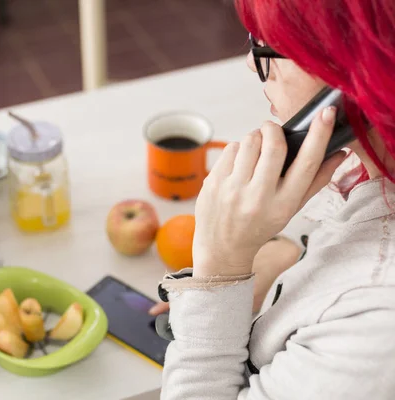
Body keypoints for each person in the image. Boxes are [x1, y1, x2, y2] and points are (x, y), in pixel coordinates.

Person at [159, 0, 395, 399]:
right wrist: (295, 258)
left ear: (355, 76)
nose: (252, 65)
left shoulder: (376, 324)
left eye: (269, 44)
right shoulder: (365, 167)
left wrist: (221, 266)